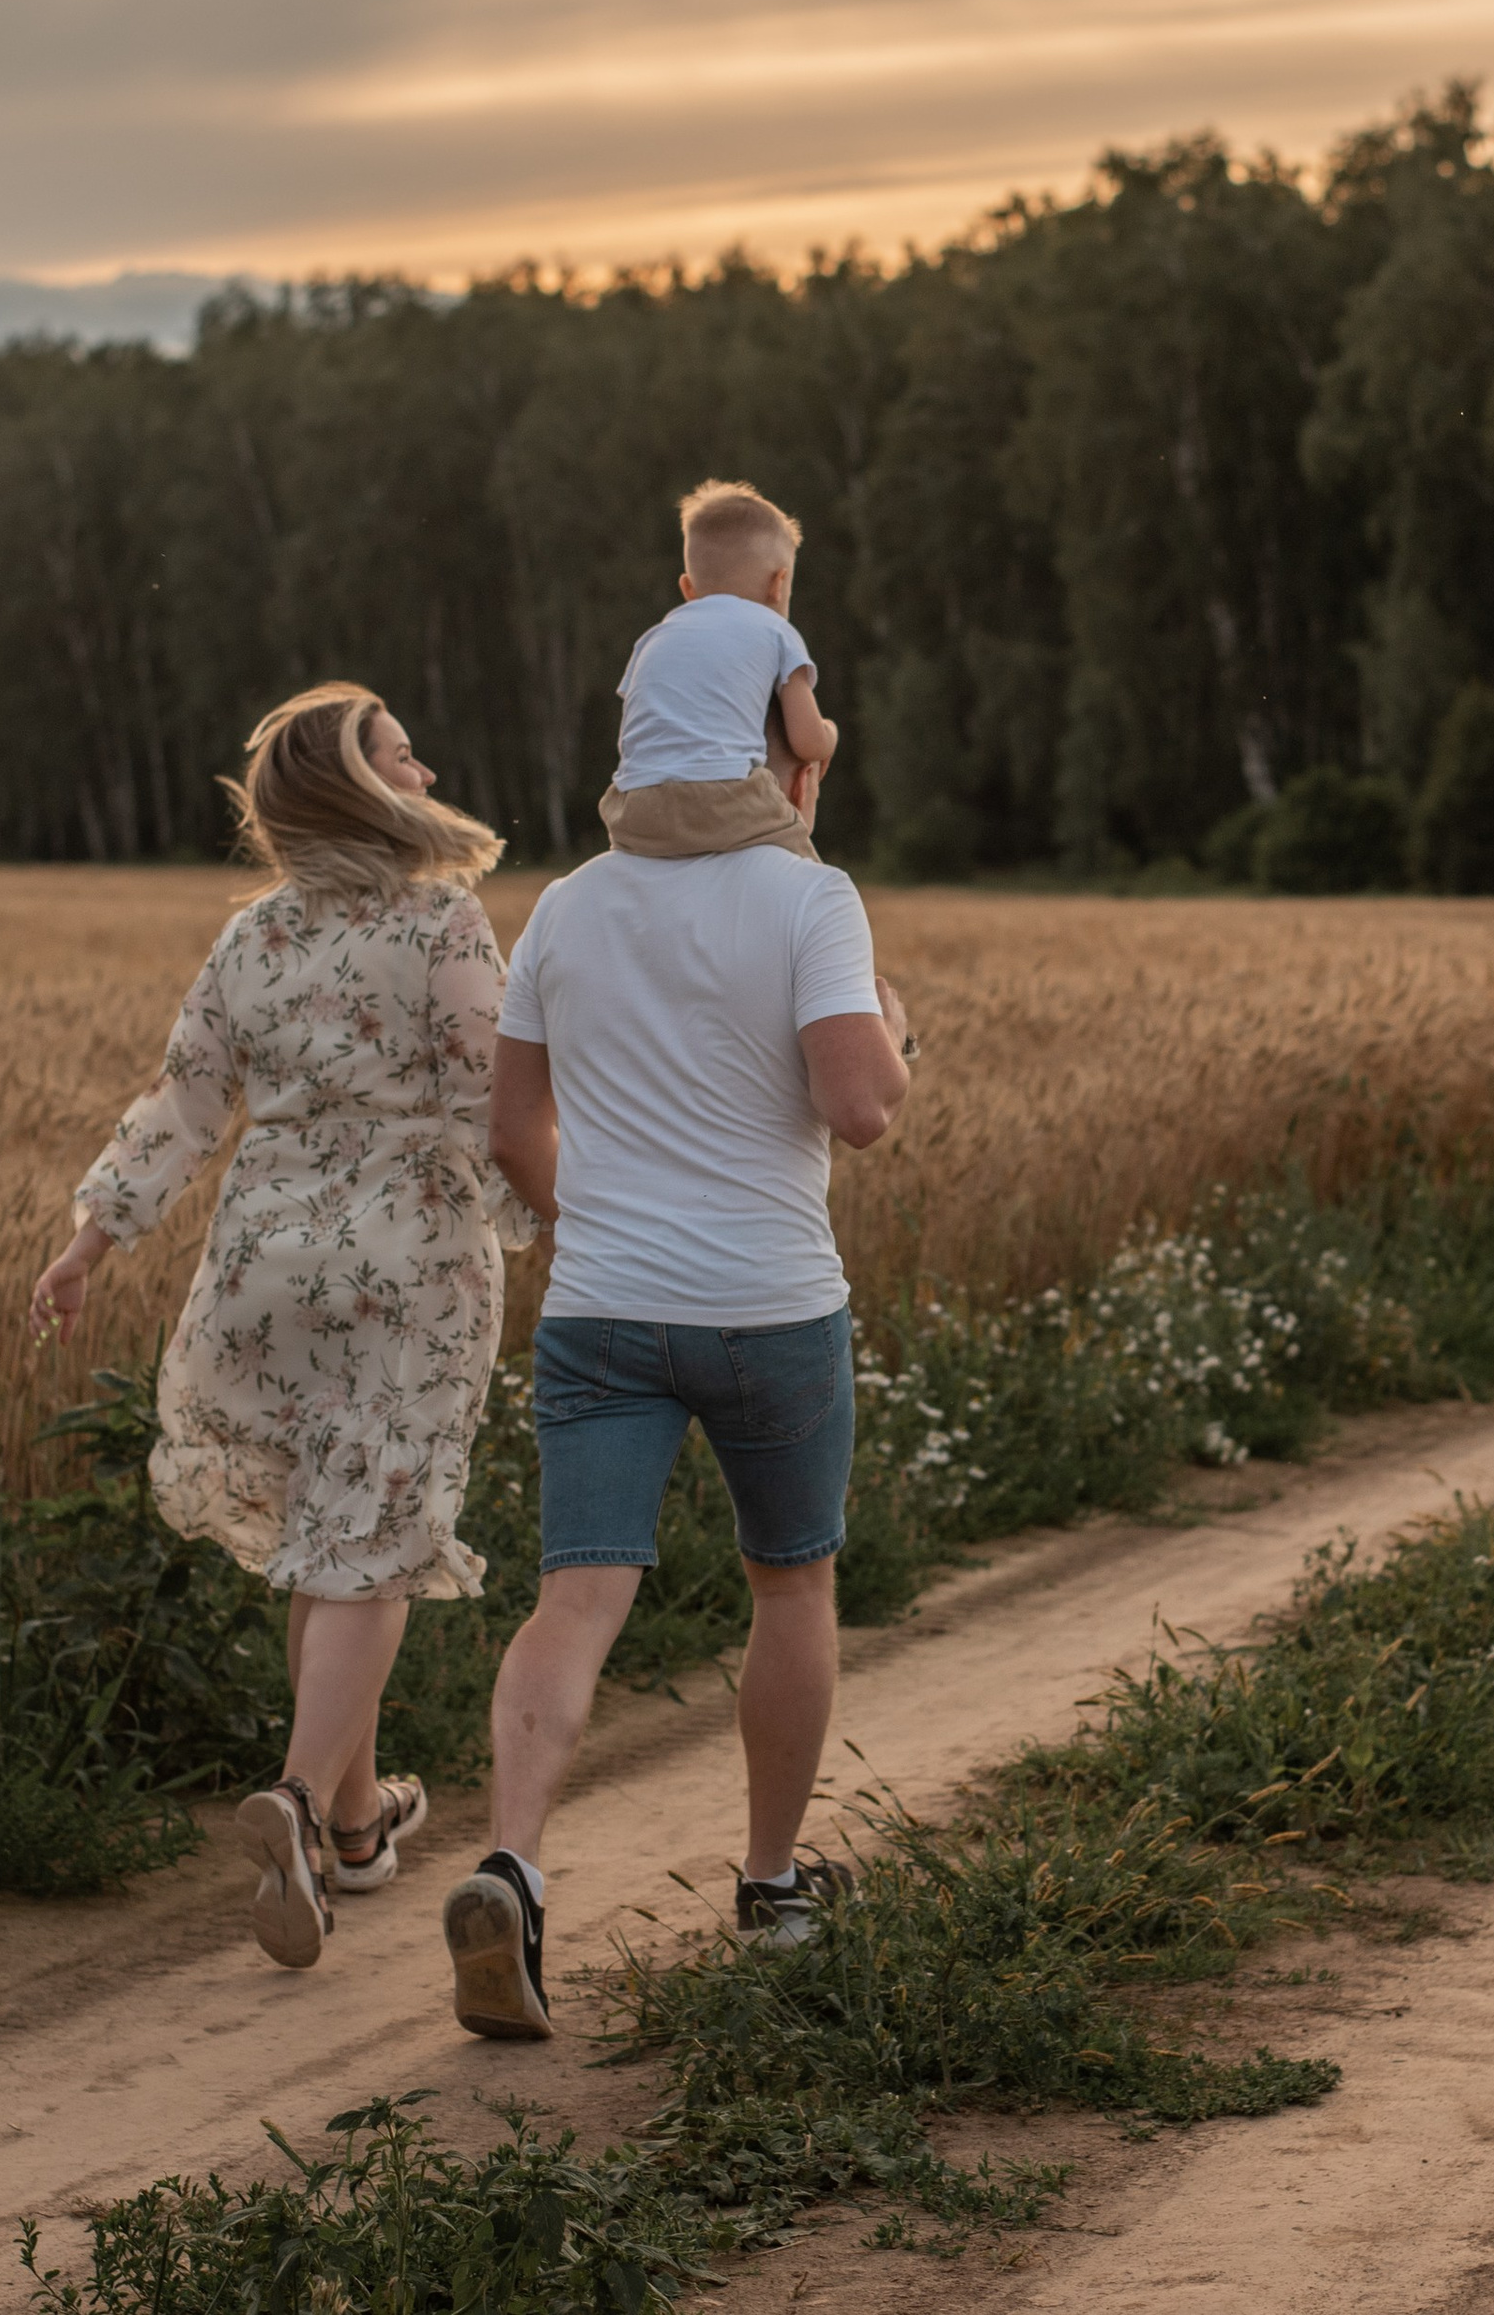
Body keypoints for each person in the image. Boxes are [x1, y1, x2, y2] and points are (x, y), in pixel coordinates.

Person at [27, 683, 534, 1969]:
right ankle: (301, 1804)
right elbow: (499, 1096)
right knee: (378, 1529)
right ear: (357, 787)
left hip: (266, 1253)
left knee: (328, 1526)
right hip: (407, 1253)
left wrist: (93, 1238)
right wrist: (562, 1222)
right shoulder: (442, 920)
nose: (425, 770)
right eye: (401, 755)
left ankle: (361, 1823)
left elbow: (183, 1104)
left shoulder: (250, 936)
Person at [439, 716, 909, 2040]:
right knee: (792, 1578)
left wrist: (582, 1225)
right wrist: (891, 1030)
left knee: (578, 1596)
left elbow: (514, 1122)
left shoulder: (570, 906)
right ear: (778, 764)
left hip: (601, 1308)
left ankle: (513, 1867)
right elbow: (863, 1106)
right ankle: (771, 1886)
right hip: (770, 1310)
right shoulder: (812, 899)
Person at [594, 479, 840, 863]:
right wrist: (831, 733)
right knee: (801, 865)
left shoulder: (651, 639)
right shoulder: (775, 630)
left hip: (632, 811)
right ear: (779, 584)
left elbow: (636, 731)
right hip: (722, 799)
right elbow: (807, 742)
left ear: (688, 588)